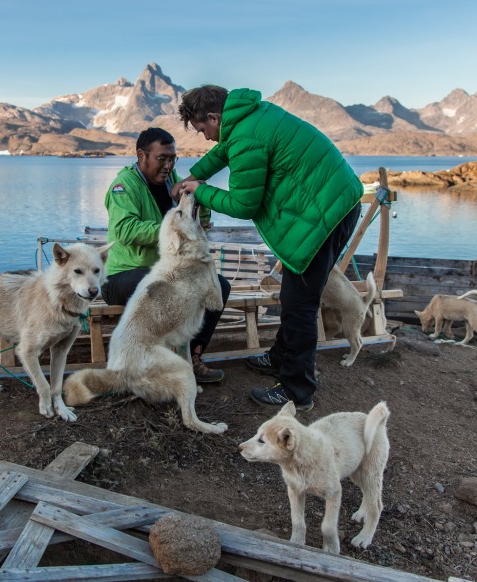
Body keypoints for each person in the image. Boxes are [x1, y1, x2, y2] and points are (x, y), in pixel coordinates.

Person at [176, 85, 362, 411]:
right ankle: (279, 358)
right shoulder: (248, 118)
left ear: (214, 117)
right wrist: (192, 175)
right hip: (333, 202)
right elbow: (224, 151)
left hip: (322, 214)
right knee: (294, 295)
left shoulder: (246, 137)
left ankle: (296, 390)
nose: (204, 137)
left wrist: (201, 191)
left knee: (300, 303)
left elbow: (245, 204)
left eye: (203, 128)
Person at [101, 127, 232, 383]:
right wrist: (172, 228)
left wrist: (200, 203)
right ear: (142, 156)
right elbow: (124, 231)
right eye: (162, 158)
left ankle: (193, 357)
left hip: (165, 271)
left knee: (219, 285)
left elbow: (195, 222)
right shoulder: (123, 186)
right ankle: (149, 366)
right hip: (123, 275)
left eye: (173, 158)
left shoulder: (173, 180)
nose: (168, 165)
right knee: (164, 288)